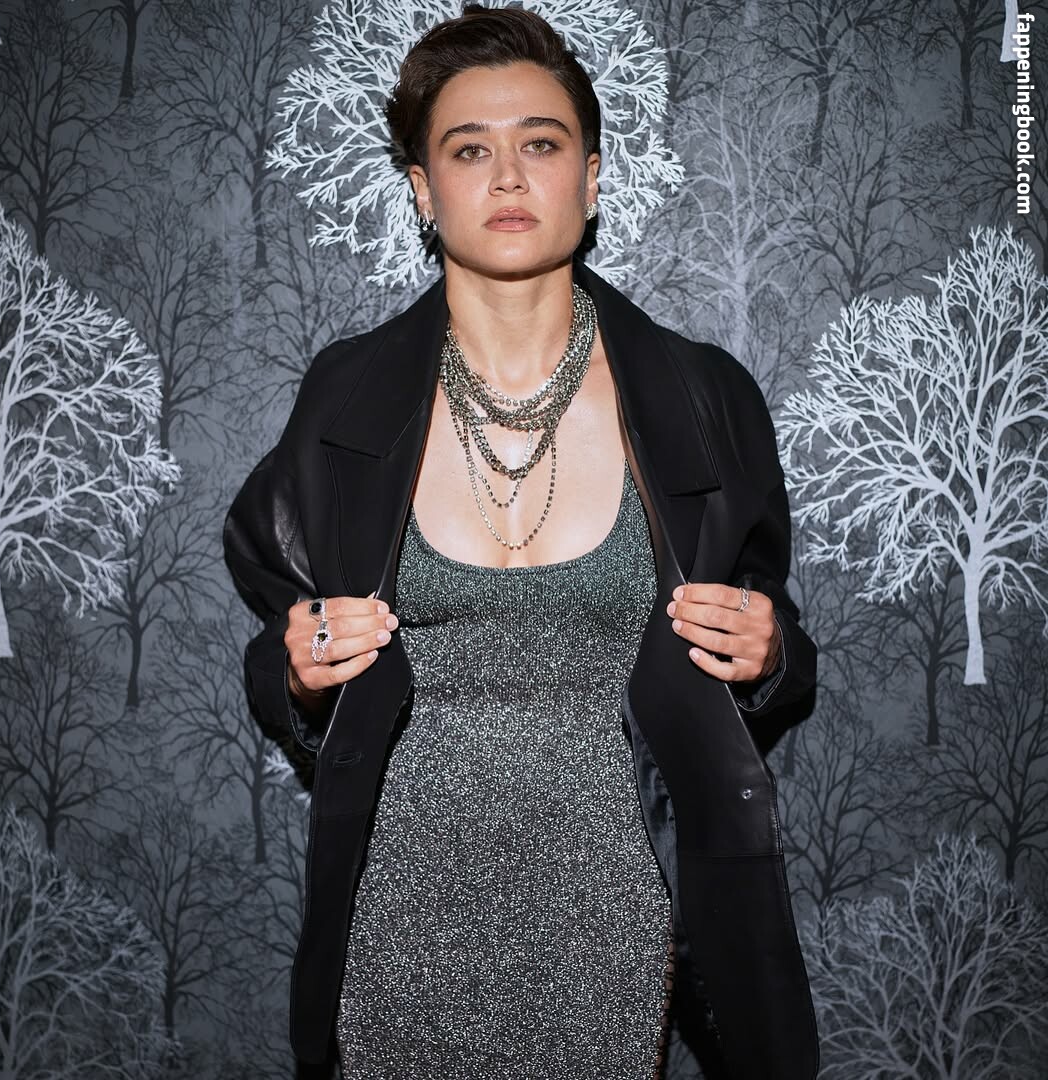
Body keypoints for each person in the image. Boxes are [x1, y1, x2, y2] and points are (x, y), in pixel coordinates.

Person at [223, 5, 818, 1079]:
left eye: (541, 143)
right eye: (468, 150)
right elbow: (279, 635)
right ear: (422, 190)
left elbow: (775, 639)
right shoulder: (346, 396)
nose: (506, 176)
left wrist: (769, 652)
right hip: (396, 924)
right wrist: (298, 667)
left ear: (591, 178)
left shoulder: (701, 397)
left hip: (616, 925)